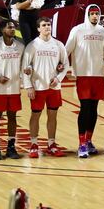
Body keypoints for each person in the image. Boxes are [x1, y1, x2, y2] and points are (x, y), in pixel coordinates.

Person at [66, 5, 104, 158]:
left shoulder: (103, 32)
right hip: (83, 74)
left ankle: (89, 140)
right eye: (92, 13)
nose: (94, 16)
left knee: (94, 109)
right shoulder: (77, 30)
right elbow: (67, 49)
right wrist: (61, 65)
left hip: (98, 75)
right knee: (84, 108)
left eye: (96, 14)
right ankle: (81, 144)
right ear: (87, 14)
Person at [22, 16, 70, 158]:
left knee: (53, 115)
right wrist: (28, 86)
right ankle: (34, 144)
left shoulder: (58, 45)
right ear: (38, 28)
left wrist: (58, 78)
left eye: (48, 24)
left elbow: (65, 64)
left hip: (54, 87)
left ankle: (51, 144)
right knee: (35, 115)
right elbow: (25, 67)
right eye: (44, 25)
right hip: (38, 87)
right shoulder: (32, 46)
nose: (47, 27)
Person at [0, 20, 24, 160]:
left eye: (14, 27)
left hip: (14, 89)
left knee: (12, 117)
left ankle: (11, 146)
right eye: (9, 27)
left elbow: (23, 66)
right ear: (2, 30)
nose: (12, 29)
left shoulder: (20, 47)